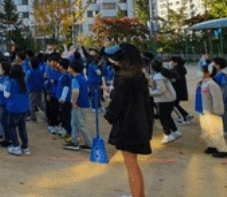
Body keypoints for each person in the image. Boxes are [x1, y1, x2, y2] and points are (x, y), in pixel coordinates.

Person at [103, 44, 153, 197]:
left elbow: (118, 102)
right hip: (140, 123)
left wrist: (109, 116)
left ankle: (136, 195)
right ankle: (138, 194)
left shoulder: (123, 79)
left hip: (128, 125)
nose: (113, 61)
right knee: (134, 165)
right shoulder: (138, 76)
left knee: (131, 165)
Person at [195, 63, 227, 158]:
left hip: (212, 112)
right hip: (202, 110)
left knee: (216, 131)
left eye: (202, 71)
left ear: (208, 73)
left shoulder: (212, 84)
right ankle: (211, 145)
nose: (199, 72)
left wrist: (217, 111)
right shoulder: (202, 83)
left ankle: (223, 150)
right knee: (206, 130)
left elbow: (217, 99)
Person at [0, 64, 30, 156]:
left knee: (12, 127)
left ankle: (16, 146)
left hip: (14, 108)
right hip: (24, 108)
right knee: (22, 127)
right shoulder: (24, 82)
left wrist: (4, 89)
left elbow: (6, 95)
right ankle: (25, 147)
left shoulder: (11, 82)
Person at [149, 60, 181, 144]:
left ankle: (167, 134)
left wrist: (150, 93)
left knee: (163, 117)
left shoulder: (158, 77)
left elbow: (161, 90)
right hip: (170, 98)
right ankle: (175, 131)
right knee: (167, 116)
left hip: (164, 99)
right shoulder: (163, 74)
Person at [63, 61, 91, 151]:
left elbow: (76, 91)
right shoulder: (82, 78)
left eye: (69, 67)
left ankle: (90, 144)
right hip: (83, 103)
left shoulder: (75, 79)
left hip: (79, 104)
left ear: (72, 69)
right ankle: (74, 141)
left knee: (81, 124)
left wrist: (74, 102)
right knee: (74, 123)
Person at [168, 56, 192, 125]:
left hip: (176, 89)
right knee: (175, 104)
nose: (170, 63)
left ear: (176, 62)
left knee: (174, 104)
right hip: (180, 89)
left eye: (171, 61)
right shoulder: (180, 68)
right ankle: (186, 115)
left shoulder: (176, 70)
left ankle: (182, 118)